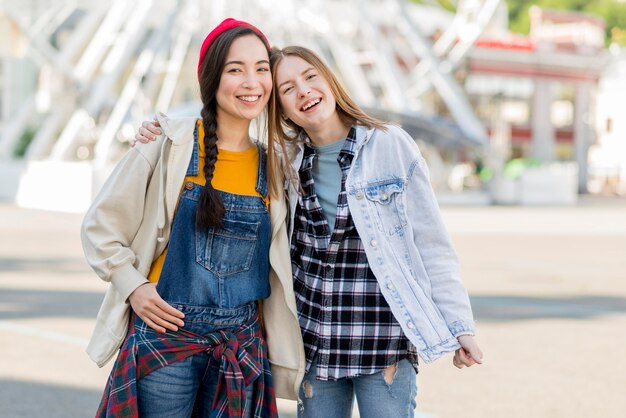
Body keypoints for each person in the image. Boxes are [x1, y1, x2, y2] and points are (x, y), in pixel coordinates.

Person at [137, 45, 483, 417]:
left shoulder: (390, 145)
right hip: (315, 345)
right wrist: (157, 133)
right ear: (279, 107)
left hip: (382, 342)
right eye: (287, 89)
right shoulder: (283, 161)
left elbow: (432, 245)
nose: (303, 91)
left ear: (330, 80)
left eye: (310, 77)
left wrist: (461, 326)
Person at [81, 19, 305, 418]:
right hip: (166, 341)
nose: (252, 82)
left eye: (260, 68)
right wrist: (135, 287)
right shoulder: (170, 143)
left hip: (240, 346)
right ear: (210, 79)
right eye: (235, 69)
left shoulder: (277, 166)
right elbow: (101, 228)